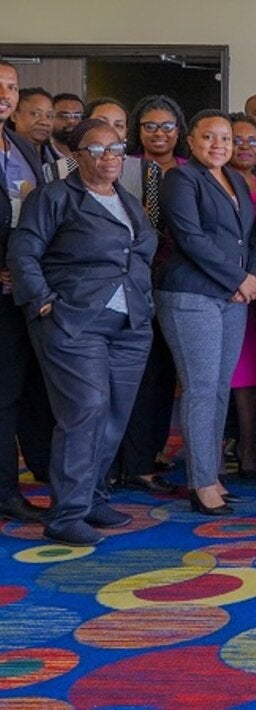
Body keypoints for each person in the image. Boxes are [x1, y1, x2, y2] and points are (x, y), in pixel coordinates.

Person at [8, 119, 156, 545]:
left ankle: (91, 498)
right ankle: (66, 514)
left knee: (114, 414)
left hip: (131, 323)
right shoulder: (55, 197)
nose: (108, 157)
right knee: (85, 410)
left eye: (115, 149)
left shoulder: (126, 201)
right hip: (75, 319)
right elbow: (24, 252)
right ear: (76, 156)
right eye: (96, 149)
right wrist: (42, 300)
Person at [154, 110, 256, 515]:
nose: (218, 145)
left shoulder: (234, 179)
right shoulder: (181, 179)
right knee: (200, 388)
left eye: (226, 138)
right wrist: (237, 279)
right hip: (191, 295)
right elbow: (191, 238)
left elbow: (249, 237)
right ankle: (200, 483)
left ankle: (213, 474)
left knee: (219, 388)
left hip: (232, 296)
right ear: (191, 140)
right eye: (209, 137)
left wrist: (249, 276)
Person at [112, 95, 187, 496]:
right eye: (150, 126)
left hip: (178, 284)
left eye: (167, 126)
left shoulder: (194, 171)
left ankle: (151, 453)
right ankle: (132, 462)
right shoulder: (123, 169)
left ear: (180, 130)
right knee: (138, 375)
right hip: (133, 285)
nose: (159, 134)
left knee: (164, 375)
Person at [0, 60, 54, 523]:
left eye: (11, 87)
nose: (5, 94)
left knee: (18, 391)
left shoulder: (20, 145)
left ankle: (15, 483)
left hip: (23, 286)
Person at [226, 113, 256, 480]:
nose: (245, 147)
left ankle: (249, 442)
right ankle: (238, 445)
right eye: (236, 139)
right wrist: (239, 278)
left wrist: (253, 276)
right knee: (233, 369)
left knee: (255, 368)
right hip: (225, 288)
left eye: (253, 141)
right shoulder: (212, 181)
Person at [50, 93, 84, 160]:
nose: (71, 121)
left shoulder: (92, 158)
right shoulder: (41, 154)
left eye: (77, 116)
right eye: (64, 116)